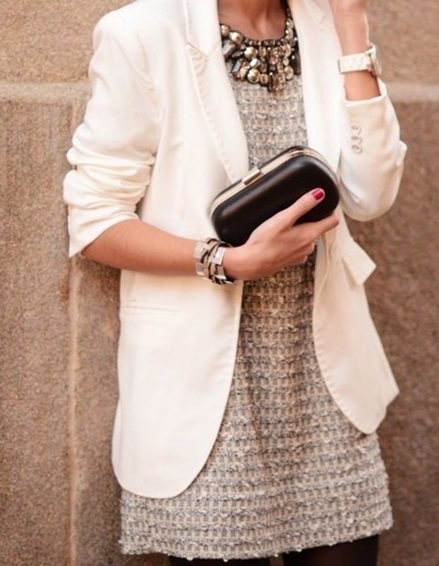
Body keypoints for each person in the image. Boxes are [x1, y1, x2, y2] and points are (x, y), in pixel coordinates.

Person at [63, 0, 407, 564]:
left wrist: (352, 23)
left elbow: (372, 194)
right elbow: (95, 221)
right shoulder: (143, 34)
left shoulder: (326, 27)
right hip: (207, 398)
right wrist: (224, 260)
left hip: (326, 387)